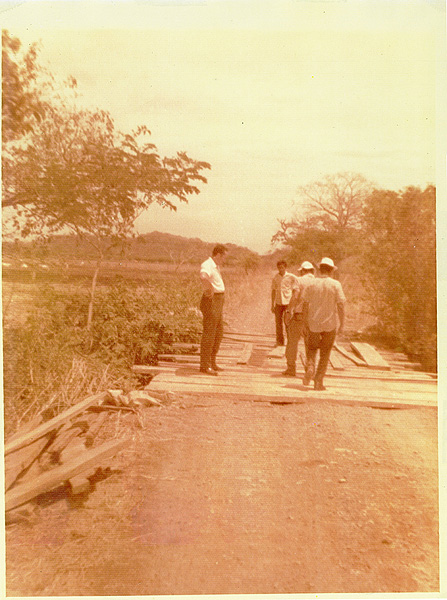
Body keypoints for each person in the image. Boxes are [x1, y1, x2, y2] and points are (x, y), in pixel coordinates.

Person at [302, 257, 346, 391]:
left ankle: (310, 366)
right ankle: (318, 382)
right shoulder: (335, 284)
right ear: (331, 270)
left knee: (311, 349)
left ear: (319, 269)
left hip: (314, 324)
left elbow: (305, 305)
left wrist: (305, 323)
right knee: (325, 354)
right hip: (329, 325)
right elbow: (341, 305)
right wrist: (342, 323)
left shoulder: (312, 284)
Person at [282, 261, 316, 376]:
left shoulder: (299, 280)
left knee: (292, 342)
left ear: (302, 271)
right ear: (312, 271)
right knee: (310, 344)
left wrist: (288, 311)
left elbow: (295, 296)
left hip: (299, 316)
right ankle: (310, 367)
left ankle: (291, 368)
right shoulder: (317, 282)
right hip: (313, 317)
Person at [199, 244, 228, 375]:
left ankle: (212, 362)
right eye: (223, 257)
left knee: (218, 332)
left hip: (218, 300)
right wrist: (209, 287)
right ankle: (205, 366)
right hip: (211, 301)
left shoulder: (216, 267)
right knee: (209, 333)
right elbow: (203, 276)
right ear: (218, 255)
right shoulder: (208, 264)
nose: (224, 260)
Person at [271, 260, 295, 346]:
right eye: (279, 267)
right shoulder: (276, 278)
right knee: (278, 323)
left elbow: (296, 288)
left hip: (287, 302)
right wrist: (272, 304)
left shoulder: (291, 277)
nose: (280, 269)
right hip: (278, 302)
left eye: (282, 267)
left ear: (285, 267)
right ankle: (280, 341)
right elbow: (273, 291)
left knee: (288, 322)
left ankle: (290, 341)